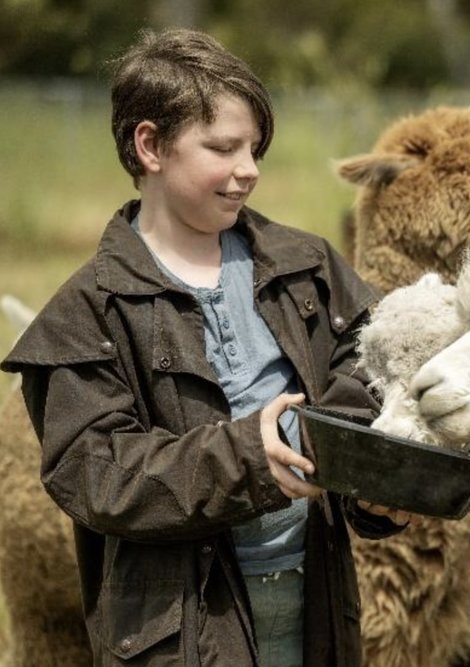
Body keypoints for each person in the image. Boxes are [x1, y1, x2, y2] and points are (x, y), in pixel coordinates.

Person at [1, 28, 410, 666]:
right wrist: (248, 456)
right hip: (179, 640)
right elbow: (97, 476)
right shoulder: (84, 315)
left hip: (319, 614)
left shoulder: (309, 267)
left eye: (254, 147)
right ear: (150, 145)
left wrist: (370, 482)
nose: (248, 169)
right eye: (222, 147)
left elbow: (371, 367)